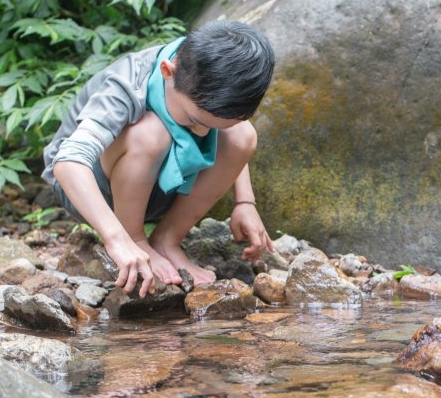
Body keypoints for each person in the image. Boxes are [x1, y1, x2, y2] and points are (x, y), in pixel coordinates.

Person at [41, 20, 276, 298]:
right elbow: (68, 161)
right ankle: (134, 239)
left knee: (242, 135)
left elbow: (229, 133)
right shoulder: (128, 85)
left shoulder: (207, 79)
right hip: (92, 190)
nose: (202, 132)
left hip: (159, 189)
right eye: (194, 121)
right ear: (168, 71)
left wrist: (245, 202)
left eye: (213, 126)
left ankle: (166, 240)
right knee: (150, 133)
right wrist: (117, 239)